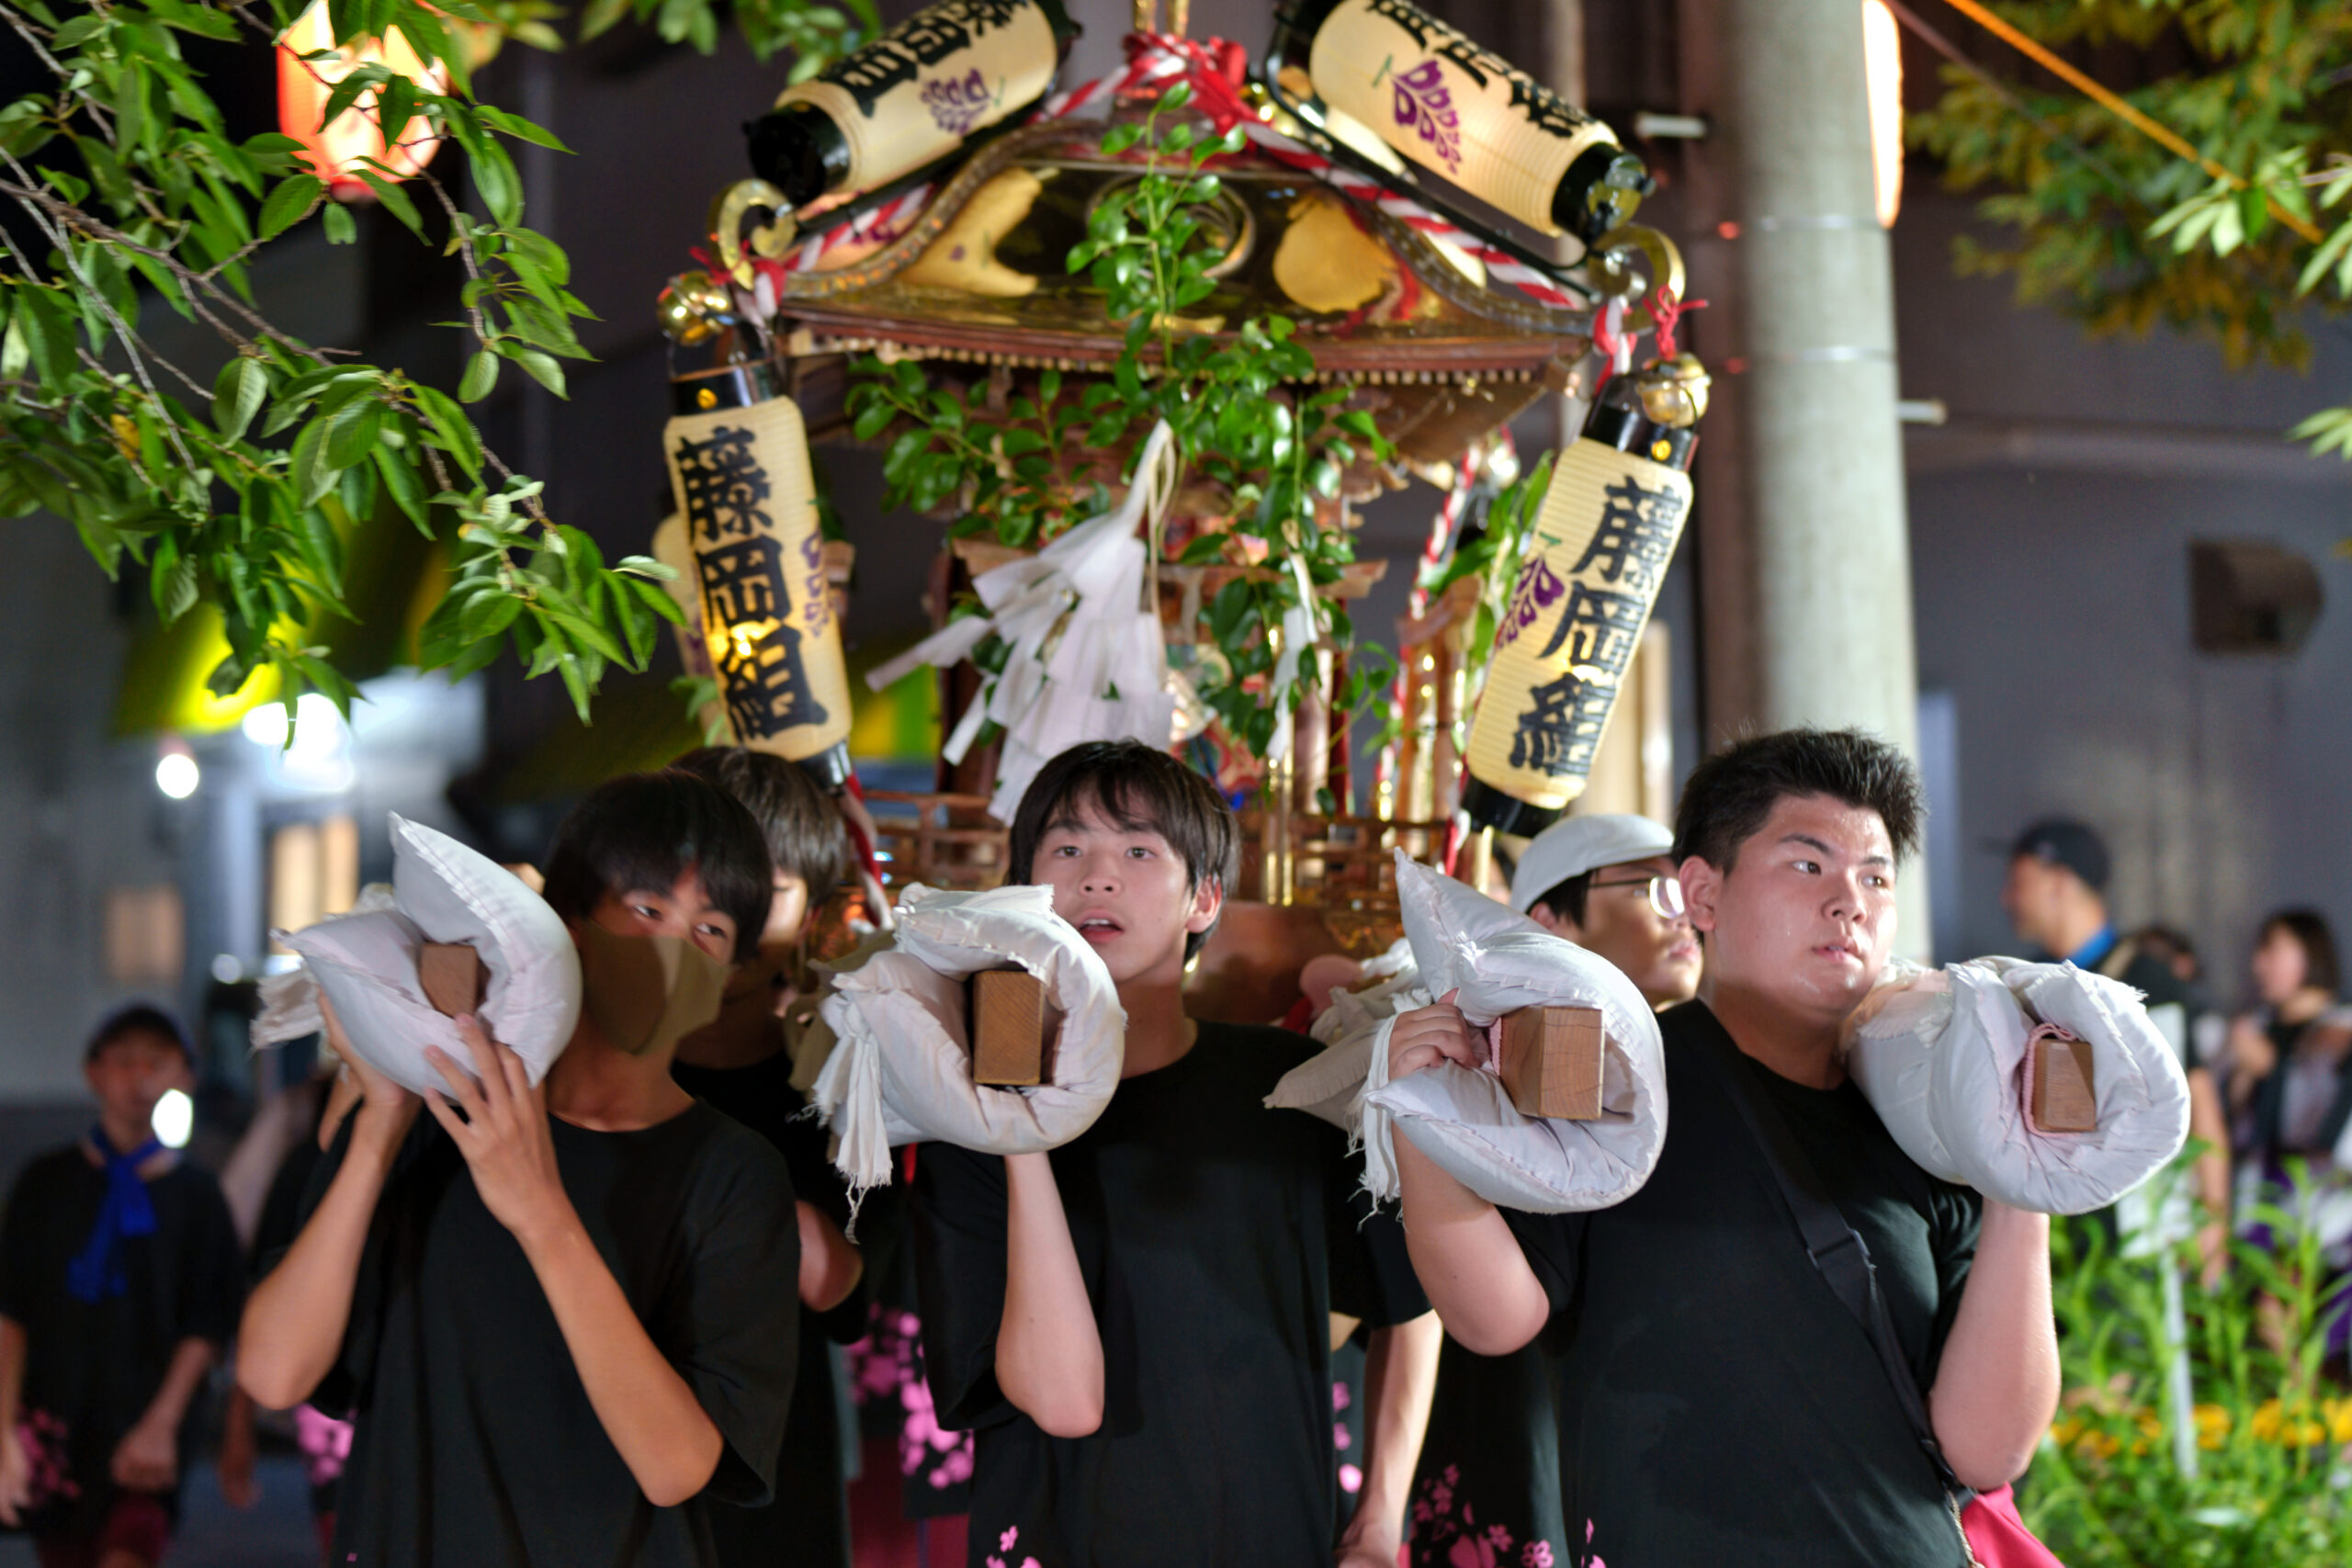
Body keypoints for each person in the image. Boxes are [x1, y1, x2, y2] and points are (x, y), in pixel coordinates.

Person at [1390, 728, 2060, 1568]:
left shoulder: (1930, 1123)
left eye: (1876, 876)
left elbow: (1987, 1450)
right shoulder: (1617, 1084)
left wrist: (2022, 1180)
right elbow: (1494, 1318)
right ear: (1701, 894)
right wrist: (1422, 1117)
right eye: (1808, 864)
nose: (1850, 902)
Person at [237, 771, 803, 1568]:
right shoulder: (430, 1119)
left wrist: (542, 1214)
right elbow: (273, 1373)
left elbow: (677, 1466)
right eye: (646, 910)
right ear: (568, 921)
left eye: (709, 930)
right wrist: (380, 1126)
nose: (673, 949)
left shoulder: (734, 1174)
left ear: (733, 974)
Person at [911, 739, 1439, 1568]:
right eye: (1066, 847)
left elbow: (1411, 1299)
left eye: (1138, 849)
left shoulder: (1290, 1088)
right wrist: (1017, 1125)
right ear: (1021, 897)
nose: (1098, 876)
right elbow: (1062, 1401)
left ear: (1205, 898)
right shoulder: (970, 1123)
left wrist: (1379, 1521)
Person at [1408, 813, 1701, 1568]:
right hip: (1526, 1424)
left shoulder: (1712, 1067)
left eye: (1688, 891)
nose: (1682, 915)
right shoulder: (1497, 1063)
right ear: (1549, 921)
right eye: (1652, 889)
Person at [669, 745, 886, 1568]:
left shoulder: (843, 1088)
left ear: (817, 914)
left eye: (768, 886)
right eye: (703, 878)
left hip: (774, 1470)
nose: (730, 914)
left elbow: (845, 1295)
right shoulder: (589, 1073)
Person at [0, 1006, 243, 1568]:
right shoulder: (46, 1182)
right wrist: (4, 1429)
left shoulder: (198, 1195)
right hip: (55, 1415)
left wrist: (163, 1423)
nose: (139, 1078)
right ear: (94, 1073)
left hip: (148, 1415)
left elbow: (208, 1321)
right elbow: (12, 1311)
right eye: (125, 1061)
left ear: (186, 1076)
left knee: (132, 1547)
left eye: (157, 1063)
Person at [2002, 818, 2232, 1241]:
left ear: (2059, 882)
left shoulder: (2147, 982)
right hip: (2051, 1230)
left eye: (2019, 883)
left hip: (2135, 1238)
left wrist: (2212, 1233)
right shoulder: (2027, 982)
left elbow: (2195, 1107)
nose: (2007, 898)